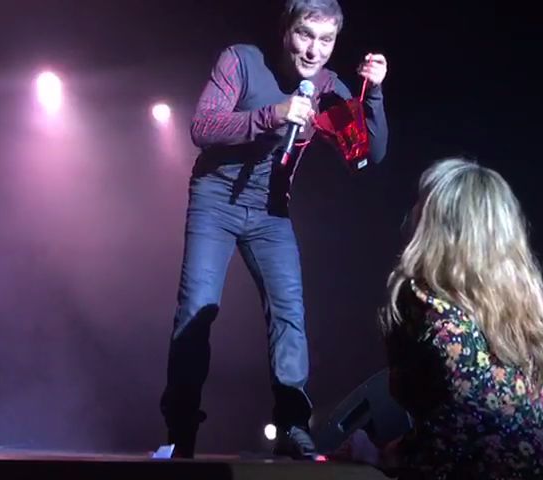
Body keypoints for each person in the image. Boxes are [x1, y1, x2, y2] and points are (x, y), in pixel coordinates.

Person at [159, 0, 389, 460]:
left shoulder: (327, 88)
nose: (314, 50)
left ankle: (292, 425)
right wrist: (274, 114)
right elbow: (202, 127)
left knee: (289, 314)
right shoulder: (243, 60)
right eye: (306, 35)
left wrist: (374, 94)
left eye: (326, 40)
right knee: (197, 310)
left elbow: (367, 154)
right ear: (286, 30)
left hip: (271, 213)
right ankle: (180, 430)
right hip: (216, 202)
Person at [344, 158, 543, 478]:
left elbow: (464, 415)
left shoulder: (434, 312)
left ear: (435, 227)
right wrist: (523, 427)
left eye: (421, 202)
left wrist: (385, 455)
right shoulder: (516, 314)